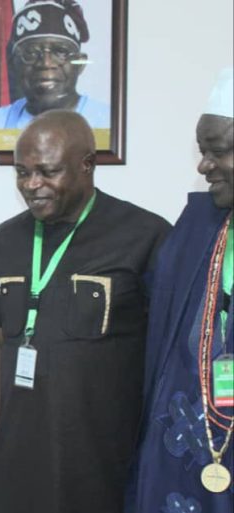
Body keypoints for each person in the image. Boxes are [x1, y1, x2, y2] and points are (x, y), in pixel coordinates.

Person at [0, 110, 170, 513]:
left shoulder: (145, 235)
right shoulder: (7, 239)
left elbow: (169, 360)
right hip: (18, 465)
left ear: (87, 165)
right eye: (22, 172)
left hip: (106, 468)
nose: (32, 184)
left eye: (48, 172)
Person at [126, 68, 234, 512]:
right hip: (184, 454)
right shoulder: (197, 228)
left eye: (218, 151)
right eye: (202, 151)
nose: (203, 165)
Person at [0, 0, 110, 130]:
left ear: (80, 64)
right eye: (31, 52)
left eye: (61, 52)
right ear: (13, 64)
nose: (46, 63)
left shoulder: (109, 122)